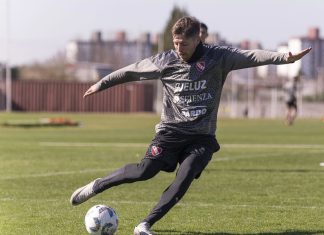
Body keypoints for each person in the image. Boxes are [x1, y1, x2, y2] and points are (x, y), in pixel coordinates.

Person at [70, 16, 311, 235]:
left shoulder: (219, 57)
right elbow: (130, 72)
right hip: (170, 132)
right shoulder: (165, 60)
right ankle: (96, 186)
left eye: (183, 44)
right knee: (145, 172)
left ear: (197, 39)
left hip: (202, 137)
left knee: (184, 177)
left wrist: (284, 58)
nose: (178, 49)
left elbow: (250, 56)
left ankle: (145, 224)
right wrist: (102, 83)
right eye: (175, 43)